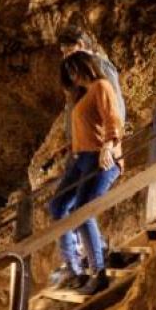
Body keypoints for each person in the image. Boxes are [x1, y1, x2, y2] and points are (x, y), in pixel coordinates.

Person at [49, 25, 125, 284]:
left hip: (97, 155)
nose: (71, 76)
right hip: (81, 155)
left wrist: (110, 144)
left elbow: (114, 115)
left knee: (82, 210)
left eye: (72, 68)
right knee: (59, 205)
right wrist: (69, 147)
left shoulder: (102, 83)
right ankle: (74, 263)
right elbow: (86, 123)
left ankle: (97, 269)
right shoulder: (82, 95)